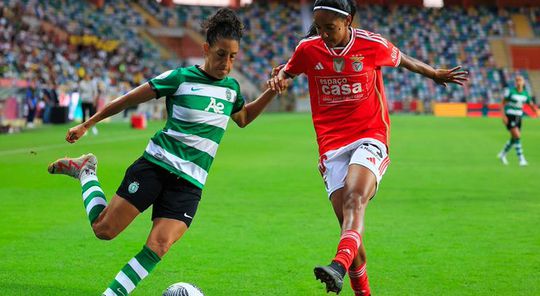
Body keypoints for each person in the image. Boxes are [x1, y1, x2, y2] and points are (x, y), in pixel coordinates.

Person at [48, 8, 279, 296]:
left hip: (191, 183)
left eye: (233, 57)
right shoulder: (180, 78)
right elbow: (128, 99)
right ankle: (86, 172)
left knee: (158, 246)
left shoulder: (232, 89)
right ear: (206, 48)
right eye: (221, 54)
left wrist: (271, 90)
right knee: (104, 229)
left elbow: (243, 119)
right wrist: (88, 123)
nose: (227, 63)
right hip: (156, 166)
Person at [268, 0, 468, 295]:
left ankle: (337, 265)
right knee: (349, 229)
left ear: (348, 20)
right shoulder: (307, 49)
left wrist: (434, 73)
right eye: (320, 27)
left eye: (330, 28)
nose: (324, 34)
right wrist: (280, 78)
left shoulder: (371, 44)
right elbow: (286, 72)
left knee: (354, 199)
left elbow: (405, 60)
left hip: (369, 135)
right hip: (331, 145)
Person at [497, 75, 537, 166]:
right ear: (515, 83)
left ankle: (502, 154)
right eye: (517, 80)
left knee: (514, 138)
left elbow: (530, 104)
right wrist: (503, 116)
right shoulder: (511, 92)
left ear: (523, 82)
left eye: (520, 80)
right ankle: (521, 159)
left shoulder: (525, 94)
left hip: (519, 117)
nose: (519, 82)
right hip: (510, 116)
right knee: (517, 136)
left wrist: (536, 112)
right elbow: (502, 104)